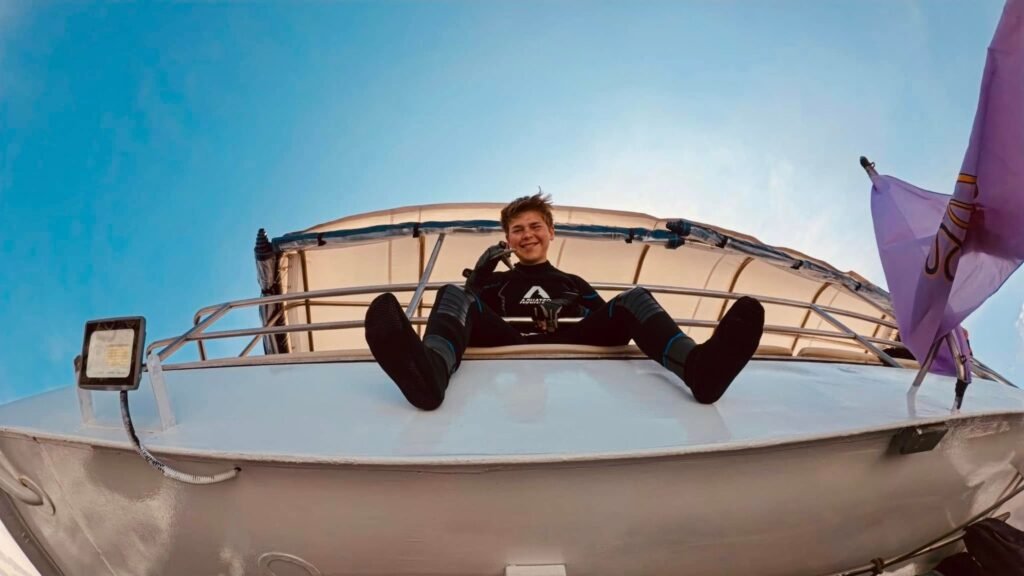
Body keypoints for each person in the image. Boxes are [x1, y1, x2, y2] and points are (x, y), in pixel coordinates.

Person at [365, 193, 765, 410]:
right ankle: (428, 374)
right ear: (508, 239)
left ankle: (699, 369)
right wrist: (479, 281)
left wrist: (561, 320)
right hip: (509, 341)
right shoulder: (495, 282)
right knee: (452, 293)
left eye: (534, 226)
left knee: (634, 297)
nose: (527, 235)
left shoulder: (573, 281)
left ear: (551, 232)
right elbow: (466, 317)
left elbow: (609, 321)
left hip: (574, 343)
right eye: (517, 230)